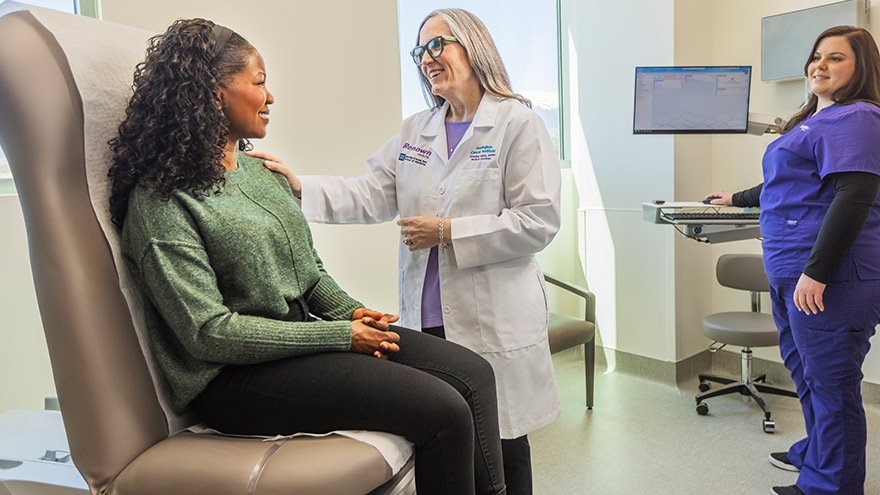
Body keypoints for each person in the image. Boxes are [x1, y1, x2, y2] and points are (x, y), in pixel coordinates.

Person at [107, 18, 507, 495]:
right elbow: (209, 334)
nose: (271, 96)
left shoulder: (259, 175)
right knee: (442, 410)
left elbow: (309, 274)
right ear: (212, 93)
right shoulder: (162, 201)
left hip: (301, 340)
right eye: (259, 82)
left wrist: (354, 312)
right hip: (233, 380)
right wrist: (341, 334)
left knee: (474, 373)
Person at [247, 9, 560, 494]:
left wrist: (448, 231)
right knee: (452, 432)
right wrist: (298, 187)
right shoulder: (418, 130)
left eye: (438, 45)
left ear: (474, 47)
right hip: (428, 313)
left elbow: (538, 221)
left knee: (503, 441)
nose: (426, 59)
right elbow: (369, 192)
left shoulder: (517, 124)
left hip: (496, 314)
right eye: (419, 51)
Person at [715, 25, 880, 495]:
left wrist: (817, 272)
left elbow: (855, 195)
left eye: (836, 58)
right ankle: (816, 454)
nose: (820, 66)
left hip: (833, 276)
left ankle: (832, 486)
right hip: (795, 269)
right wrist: (735, 198)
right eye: (816, 57)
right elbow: (786, 184)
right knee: (806, 372)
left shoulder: (858, 117)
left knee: (831, 384)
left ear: (861, 67)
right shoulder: (812, 121)